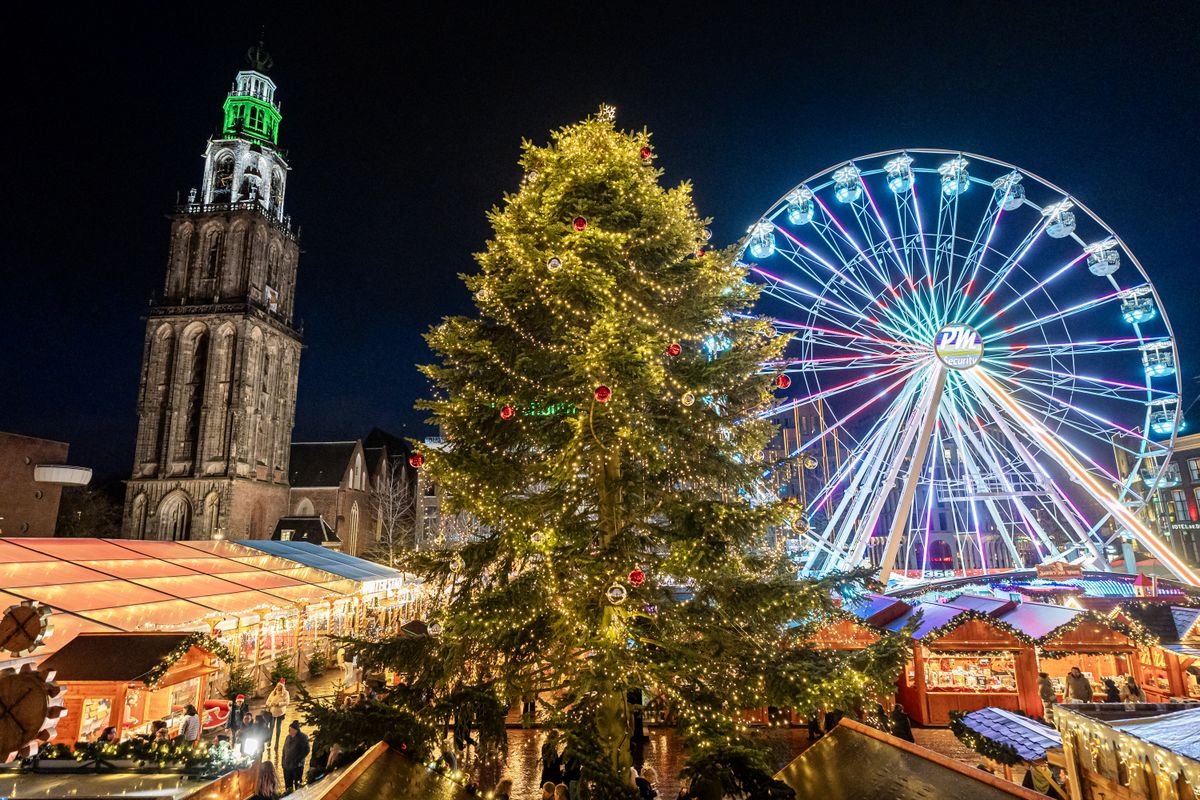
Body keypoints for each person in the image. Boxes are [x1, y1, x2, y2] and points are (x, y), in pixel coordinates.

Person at [282, 720, 310, 794]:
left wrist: (297, 760)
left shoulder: (303, 738)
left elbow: (306, 751)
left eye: (290, 729)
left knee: (297, 785)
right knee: (288, 786)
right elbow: (284, 750)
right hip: (287, 766)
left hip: (296, 767)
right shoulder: (288, 737)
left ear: (295, 730)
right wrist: (283, 762)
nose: (288, 731)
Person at [266, 679, 291, 750]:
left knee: (278, 727)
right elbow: (268, 700)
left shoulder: (286, 693)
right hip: (272, 711)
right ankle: (269, 740)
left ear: (282, 686)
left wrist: (279, 704)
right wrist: (269, 704)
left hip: (280, 712)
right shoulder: (273, 692)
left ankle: (276, 742)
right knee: (271, 726)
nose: (278, 687)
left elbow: (287, 702)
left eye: (279, 686)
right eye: (277, 685)